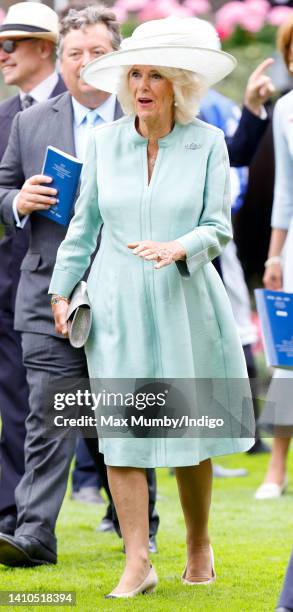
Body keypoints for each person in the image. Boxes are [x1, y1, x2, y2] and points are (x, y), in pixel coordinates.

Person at [50, 17, 255, 598]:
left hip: (186, 301)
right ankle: (137, 561)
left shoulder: (207, 143)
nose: (141, 85)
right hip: (115, 307)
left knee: (190, 432)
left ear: (179, 85)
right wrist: (62, 290)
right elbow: (82, 227)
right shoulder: (103, 143)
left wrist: (179, 246)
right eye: (134, 73)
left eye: (155, 75)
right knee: (122, 434)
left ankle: (197, 546)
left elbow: (218, 227)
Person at [0, 5, 159, 566]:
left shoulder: (148, 117)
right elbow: (1, 187)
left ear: (117, 59)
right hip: (48, 292)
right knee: (46, 416)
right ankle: (35, 535)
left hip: (130, 291)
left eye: (98, 52)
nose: (86, 62)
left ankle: (141, 525)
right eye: (75, 54)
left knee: (125, 415)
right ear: (60, 61)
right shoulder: (30, 122)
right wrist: (16, 202)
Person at [0, 1, 66, 536]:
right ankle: (19, 520)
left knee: (99, 411)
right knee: (22, 408)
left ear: (45, 47)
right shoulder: (6, 118)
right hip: (15, 286)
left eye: (10, 44)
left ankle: (133, 518)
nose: (2, 55)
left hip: (85, 282)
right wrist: (14, 202)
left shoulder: (94, 107)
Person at [255, 13, 293, 501]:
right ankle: (276, 468)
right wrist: (274, 256)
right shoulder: (285, 111)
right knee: (287, 362)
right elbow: (285, 190)